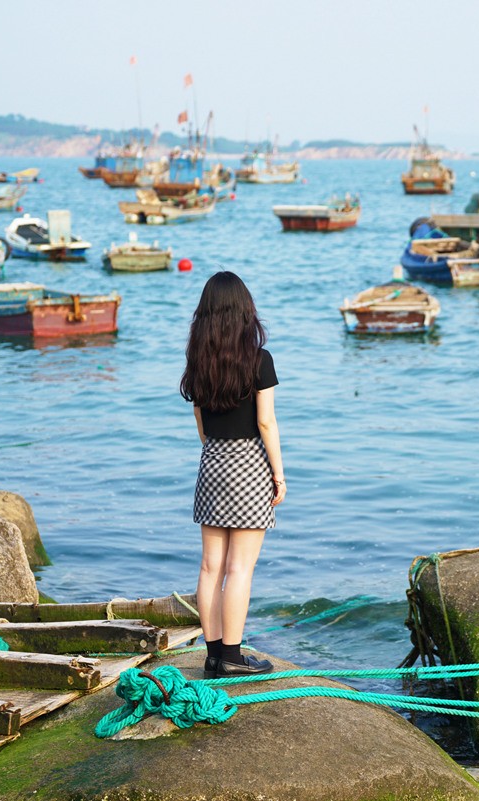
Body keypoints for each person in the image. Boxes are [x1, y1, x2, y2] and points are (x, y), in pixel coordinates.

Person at [180, 271, 286, 677]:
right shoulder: (259, 359)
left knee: (211, 567)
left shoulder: (199, 360)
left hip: (212, 461)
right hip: (248, 465)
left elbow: (200, 422)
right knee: (240, 568)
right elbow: (266, 423)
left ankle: (212, 657)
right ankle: (232, 657)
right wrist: (278, 474)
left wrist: (215, 450)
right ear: (245, 310)